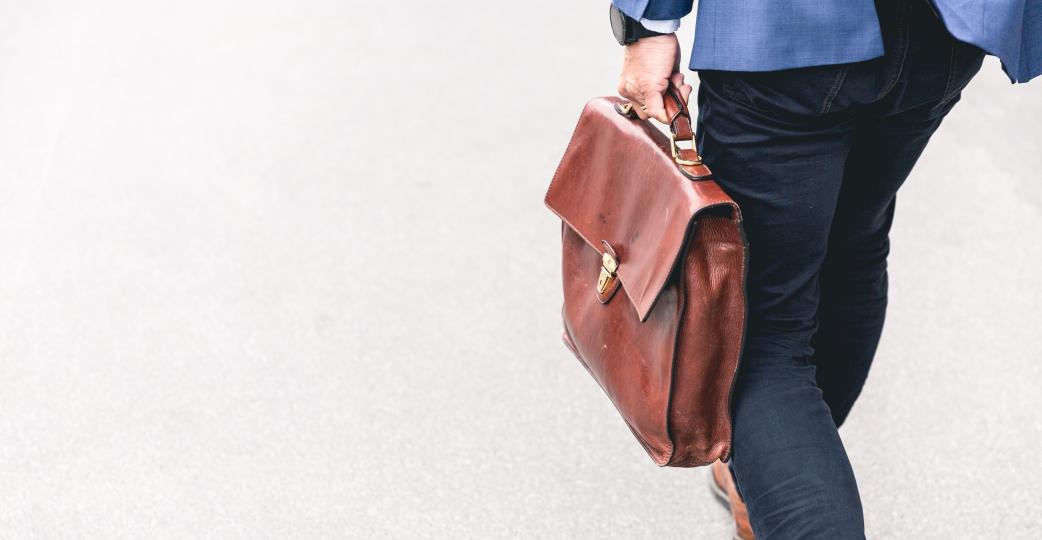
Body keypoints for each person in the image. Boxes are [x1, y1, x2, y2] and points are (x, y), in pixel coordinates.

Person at [608, 0, 1040, 538]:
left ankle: (785, 465)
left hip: (788, 34)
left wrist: (647, 22)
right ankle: (780, 462)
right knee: (852, 244)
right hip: (943, 34)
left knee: (759, 330)